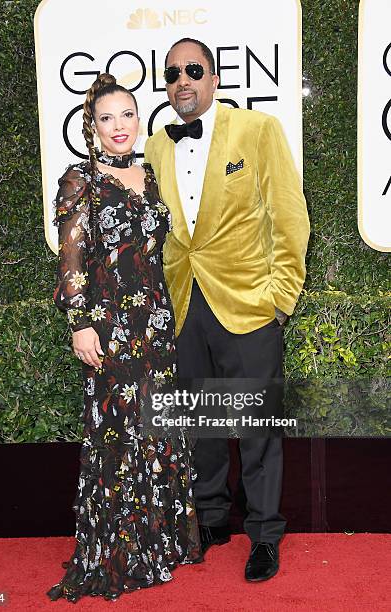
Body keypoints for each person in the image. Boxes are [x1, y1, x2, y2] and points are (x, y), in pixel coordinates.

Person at [144, 38, 310, 582]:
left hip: (249, 304)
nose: (182, 81)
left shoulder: (257, 131)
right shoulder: (156, 148)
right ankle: (212, 517)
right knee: (204, 424)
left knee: (259, 426)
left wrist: (279, 300)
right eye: (171, 73)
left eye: (193, 69)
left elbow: (289, 217)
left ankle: (264, 533)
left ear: (214, 77)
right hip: (186, 302)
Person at [46, 73, 202, 603]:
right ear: (91, 126)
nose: (119, 126)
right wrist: (79, 322)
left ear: (140, 120)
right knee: (118, 432)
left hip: (156, 324)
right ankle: (119, 551)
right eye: (107, 118)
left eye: (127, 115)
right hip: (109, 327)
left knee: (157, 428)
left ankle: (158, 544)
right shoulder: (79, 180)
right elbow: (71, 258)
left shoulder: (150, 174)